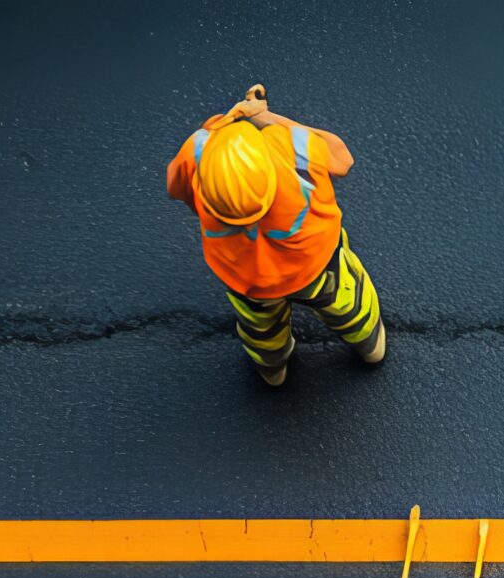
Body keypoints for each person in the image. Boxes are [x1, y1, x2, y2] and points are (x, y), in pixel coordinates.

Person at [164, 84, 386, 387]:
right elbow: (340, 156)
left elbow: (175, 187)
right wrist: (264, 117)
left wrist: (217, 128)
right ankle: (369, 345)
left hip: (247, 280)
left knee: (260, 327)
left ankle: (273, 369)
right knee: (348, 299)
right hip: (316, 263)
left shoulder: (199, 151)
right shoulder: (291, 148)